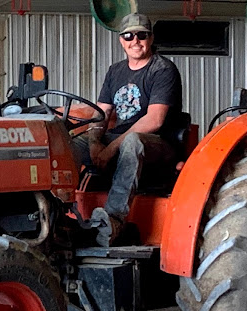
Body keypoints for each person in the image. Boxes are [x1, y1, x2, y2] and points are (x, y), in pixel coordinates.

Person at [76, 13, 182, 246]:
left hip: (157, 142)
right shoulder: (115, 71)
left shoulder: (163, 70)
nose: (135, 41)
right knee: (68, 144)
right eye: (129, 35)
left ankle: (113, 219)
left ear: (151, 38)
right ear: (121, 40)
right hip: (119, 138)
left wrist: (111, 148)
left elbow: (154, 119)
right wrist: (94, 142)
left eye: (142, 35)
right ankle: (64, 214)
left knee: (133, 141)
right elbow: (101, 113)